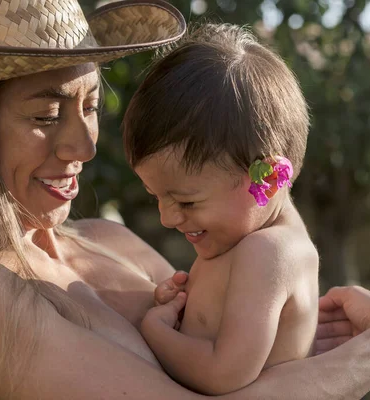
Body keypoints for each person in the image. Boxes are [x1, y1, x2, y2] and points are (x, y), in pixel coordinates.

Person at [0, 1, 370, 399]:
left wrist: (308, 341)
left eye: (89, 105)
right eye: (45, 113)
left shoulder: (113, 243)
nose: (81, 143)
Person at [123, 23, 319, 395]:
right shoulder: (245, 243)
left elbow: (223, 374)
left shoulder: (269, 252)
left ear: (268, 180)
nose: (167, 217)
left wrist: (157, 330)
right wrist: (184, 310)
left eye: (186, 201)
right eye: (155, 196)